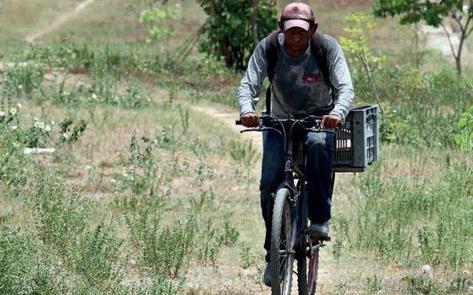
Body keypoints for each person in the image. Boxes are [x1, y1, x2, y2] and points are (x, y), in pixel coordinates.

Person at [236, 2, 354, 286]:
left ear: (312, 29)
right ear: (281, 30)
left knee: (317, 147)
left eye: (302, 32)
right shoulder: (269, 48)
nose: (296, 37)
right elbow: (248, 85)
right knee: (268, 184)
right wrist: (246, 111)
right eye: (291, 32)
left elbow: (345, 87)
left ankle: (319, 220)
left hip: (318, 119)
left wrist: (336, 113)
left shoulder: (326, 48)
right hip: (279, 120)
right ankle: (272, 252)